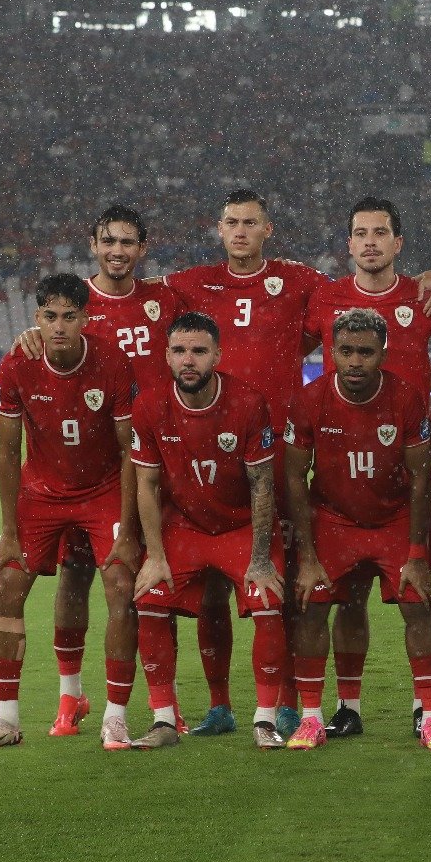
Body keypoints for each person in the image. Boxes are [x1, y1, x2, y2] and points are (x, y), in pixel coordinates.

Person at [160, 189, 431, 737]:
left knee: (294, 587)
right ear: (217, 229)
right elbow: (128, 298)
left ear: (268, 229)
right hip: (213, 444)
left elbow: (373, 289)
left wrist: (427, 277)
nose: (241, 231)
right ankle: (220, 705)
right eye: (231, 222)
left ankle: (295, 705)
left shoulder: (305, 283)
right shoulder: (186, 285)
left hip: (281, 443)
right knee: (216, 588)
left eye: (251, 222)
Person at [14, 205, 234, 738]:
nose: (117, 251)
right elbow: (49, 339)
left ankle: (175, 703)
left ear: (142, 248)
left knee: (169, 586)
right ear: (93, 244)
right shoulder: (75, 308)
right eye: (108, 241)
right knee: (76, 576)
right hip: (94, 469)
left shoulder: (166, 298)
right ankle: (72, 697)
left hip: (162, 459)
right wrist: (32, 333)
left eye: (128, 242)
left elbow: (223, 298)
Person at [301, 197, 431, 739]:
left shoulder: (423, 294)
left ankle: (428, 711)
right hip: (340, 468)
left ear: (398, 243)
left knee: (417, 598)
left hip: (401, 459)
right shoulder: (325, 299)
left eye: (381, 232)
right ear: (348, 244)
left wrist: (424, 382)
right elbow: (286, 347)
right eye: (360, 233)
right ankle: (347, 707)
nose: (370, 241)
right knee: (346, 600)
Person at [0, 273, 140, 752]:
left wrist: (128, 528)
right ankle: (5, 721)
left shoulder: (112, 362)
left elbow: (129, 452)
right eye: (50, 316)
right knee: (5, 587)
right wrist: (8, 531)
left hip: (101, 492)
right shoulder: (18, 363)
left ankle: (115, 718)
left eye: (69, 317)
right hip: (42, 494)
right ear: (37, 317)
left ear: (85, 319)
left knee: (122, 583)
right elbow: (6, 451)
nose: (59, 326)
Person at [283, 308, 431, 750]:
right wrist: (306, 558)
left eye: (365, 352)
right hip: (334, 519)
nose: (355, 361)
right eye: (346, 351)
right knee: (315, 605)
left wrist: (417, 553)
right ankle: (315, 717)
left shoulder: (406, 397)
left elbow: (420, 477)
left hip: (393, 517)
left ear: (383, 353)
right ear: (330, 352)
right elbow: (294, 480)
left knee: (417, 604)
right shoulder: (309, 399)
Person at [127, 312, 290, 750]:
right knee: (149, 598)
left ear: (218, 354)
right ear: (166, 355)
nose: (188, 360)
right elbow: (146, 483)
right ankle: (163, 721)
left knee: (267, 599)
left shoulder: (248, 403)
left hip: (240, 526)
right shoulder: (149, 406)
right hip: (186, 528)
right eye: (179, 350)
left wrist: (259, 559)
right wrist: (156, 556)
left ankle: (266, 720)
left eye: (199, 351)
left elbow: (262, 484)